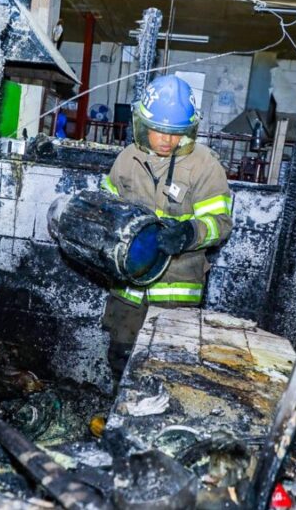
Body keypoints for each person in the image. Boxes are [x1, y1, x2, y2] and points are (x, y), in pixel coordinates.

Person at [100, 75, 233, 382]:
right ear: (142, 124)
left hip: (174, 298)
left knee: (166, 374)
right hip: (128, 294)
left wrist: (189, 234)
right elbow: (106, 208)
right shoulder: (126, 159)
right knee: (120, 364)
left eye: (176, 133)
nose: (166, 140)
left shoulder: (204, 166)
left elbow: (220, 224)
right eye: (159, 129)